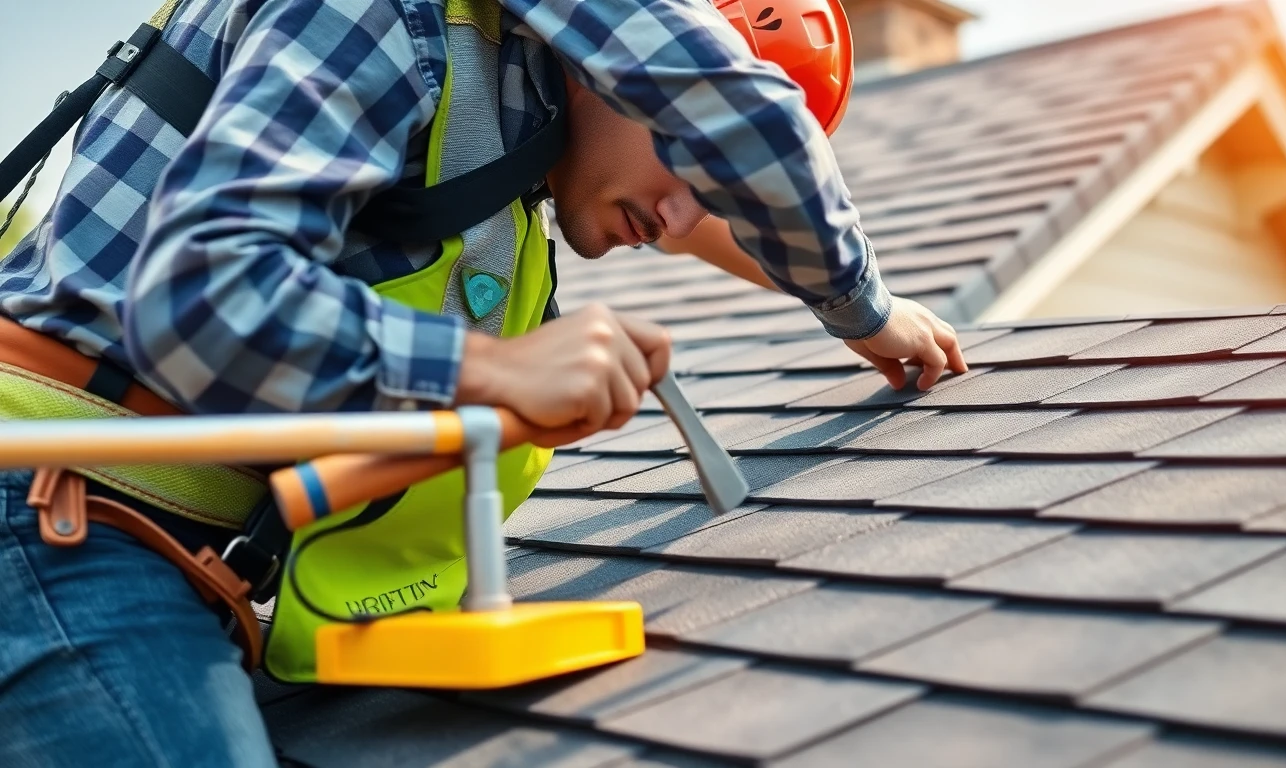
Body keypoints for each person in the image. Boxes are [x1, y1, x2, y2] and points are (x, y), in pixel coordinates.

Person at [0, 0, 966, 764]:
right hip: (45, 507)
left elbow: (685, 190)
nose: (680, 222)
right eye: (691, 160)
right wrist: (495, 368)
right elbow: (198, 291)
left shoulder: (516, 108)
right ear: (619, 63)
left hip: (138, 528)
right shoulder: (386, 14)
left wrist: (865, 312)